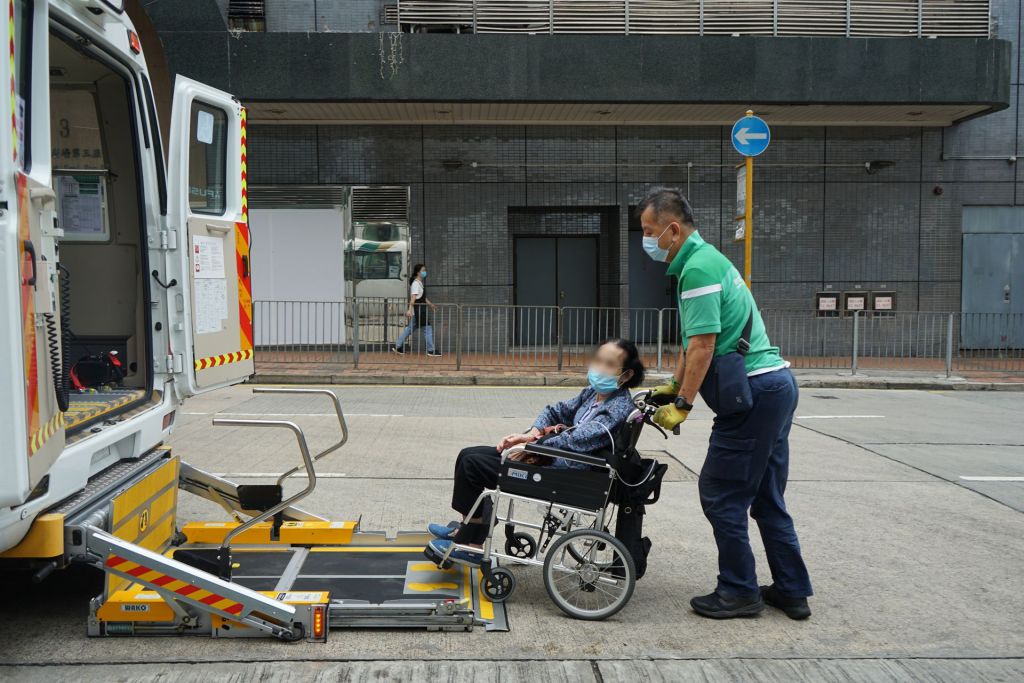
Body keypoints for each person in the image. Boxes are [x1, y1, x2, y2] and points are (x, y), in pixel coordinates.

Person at [637, 187, 813, 621]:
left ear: (672, 230)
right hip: (775, 386)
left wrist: (682, 402)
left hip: (752, 395)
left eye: (649, 231)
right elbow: (696, 345)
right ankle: (791, 590)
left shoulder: (697, 269)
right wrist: (673, 383)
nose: (646, 240)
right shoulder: (709, 259)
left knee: (721, 493)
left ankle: (739, 591)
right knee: (767, 497)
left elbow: (703, 345)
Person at [426, 339, 646, 564]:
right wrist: (532, 433)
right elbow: (556, 411)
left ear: (626, 375)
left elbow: (574, 440)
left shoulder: (617, 409)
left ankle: (472, 544)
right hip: (549, 457)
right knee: (467, 454)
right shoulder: (592, 394)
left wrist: (527, 446)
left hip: (565, 472)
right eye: (598, 360)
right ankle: (471, 528)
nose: (599, 368)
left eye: (608, 364)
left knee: (473, 466)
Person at [393, 263, 441, 357]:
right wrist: (409, 310)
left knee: (409, 329)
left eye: (425, 270)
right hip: (419, 310)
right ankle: (431, 350)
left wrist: (431, 305)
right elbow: (413, 297)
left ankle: (398, 346)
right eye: (423, 270)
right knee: (427, 329)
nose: (425, 272)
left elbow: (422, 297)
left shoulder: (419, 283)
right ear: (418, 272)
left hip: (419, 310)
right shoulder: (415, 283)